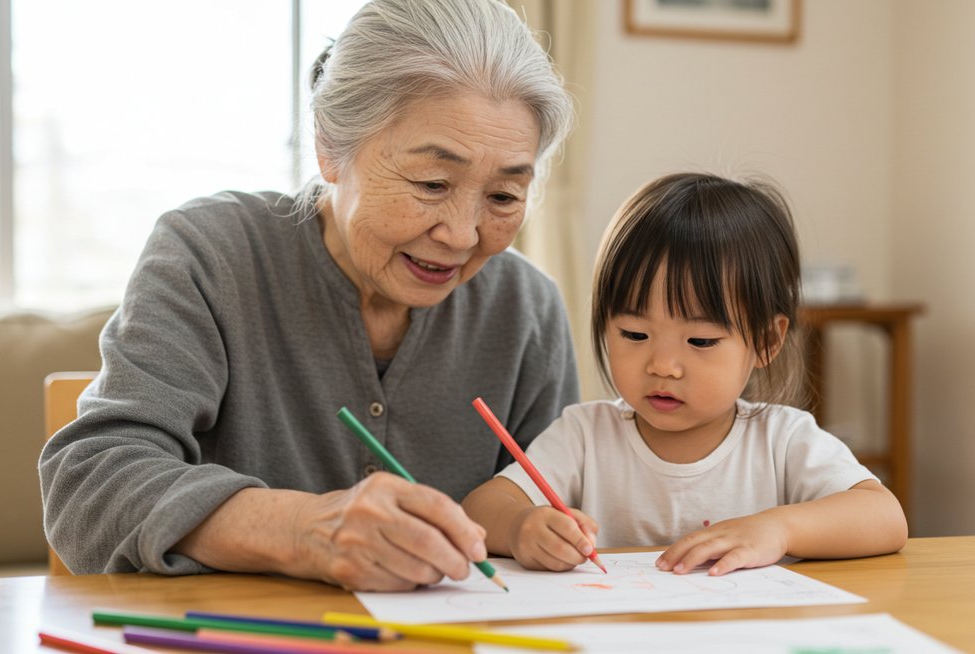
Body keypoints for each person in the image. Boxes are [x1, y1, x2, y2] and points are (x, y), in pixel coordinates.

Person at [39, 0, 578, 592]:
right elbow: (90, 483)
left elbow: (562, 508)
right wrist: (307, 529)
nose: (462, 234)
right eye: (431, 184)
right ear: (329, 147)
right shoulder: (211, 255)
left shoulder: (527, 310)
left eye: (503, 196)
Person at [463, 172, 908, 576]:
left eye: (700, 342)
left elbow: (885, 517)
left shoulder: (782, 439)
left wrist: (778, 529)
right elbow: (483, 508)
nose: (663, 366)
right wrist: (522, 525)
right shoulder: (584, 435)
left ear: (767, 341)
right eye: (635, 334)